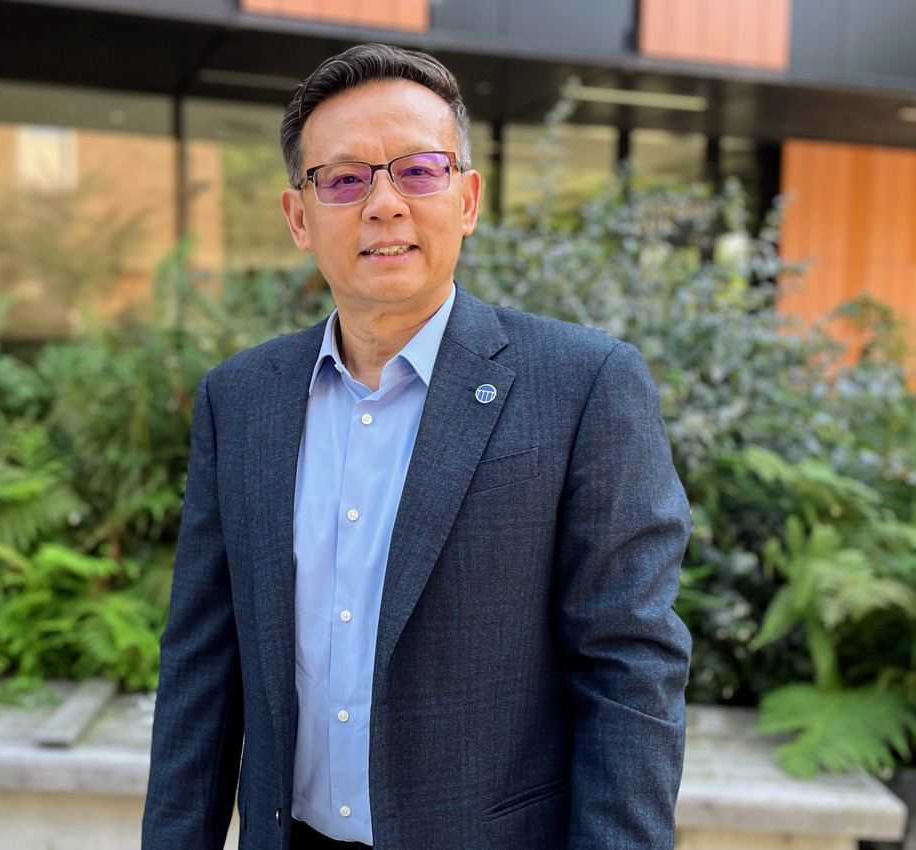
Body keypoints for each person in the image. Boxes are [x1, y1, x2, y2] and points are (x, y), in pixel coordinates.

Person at [140, 42, 693, 850]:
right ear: (300, 216)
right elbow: (200, 668)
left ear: (466, 199)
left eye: (420, 170)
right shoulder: (242, 399)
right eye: (344, 178)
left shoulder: (584, 386)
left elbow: (629, 675)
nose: (384, 203)